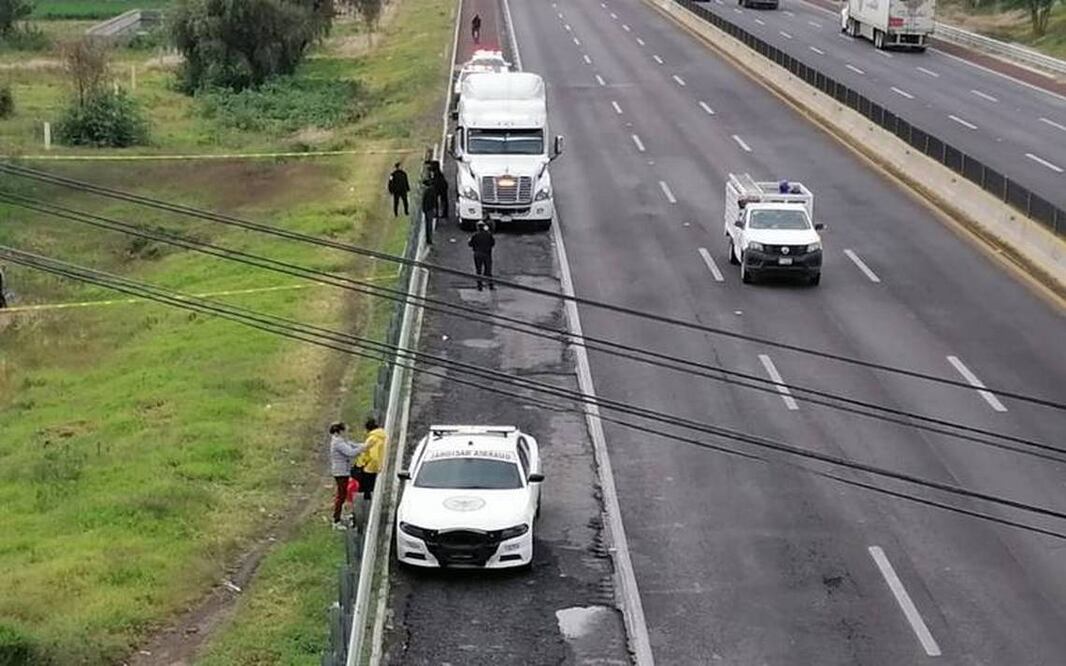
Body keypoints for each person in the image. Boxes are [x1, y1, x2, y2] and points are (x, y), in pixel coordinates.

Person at [328, 422, 367, 530]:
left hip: (343, 471)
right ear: (340, 431)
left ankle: (339, 517)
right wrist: (363, 449)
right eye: (345, 429)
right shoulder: (338, 443)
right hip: (340, 472)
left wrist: (364, 445)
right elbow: (351, 452)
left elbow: (352, 444)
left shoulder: (341, 440)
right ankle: (336, 521)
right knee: (341, 496)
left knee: (343, 494)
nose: (347, 431)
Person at [353, 418, 387, 501]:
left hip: (370, 468)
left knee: (366, 491)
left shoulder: (372, 438)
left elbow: (372, 454)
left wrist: (364, 463)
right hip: (379, 466)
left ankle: (366, 506)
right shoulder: (382, 436)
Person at [469, 221, 496, 291]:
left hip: (477, 254)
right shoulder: (488, 234)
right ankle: (491, 286)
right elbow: (493, 243)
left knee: (478, 270)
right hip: (487, 254)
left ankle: (479, 286)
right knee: (488, 270)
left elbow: (470, 244)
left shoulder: (475, 235)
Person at [420, 173, 438, 245]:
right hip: (430, 209)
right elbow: (434, 201)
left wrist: (424, 209)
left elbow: (424, 201)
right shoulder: (432, 191)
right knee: (429, 225)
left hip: (427, 209)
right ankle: (429, 239)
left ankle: (428, 239)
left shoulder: (427, 192)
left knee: (428, 224)